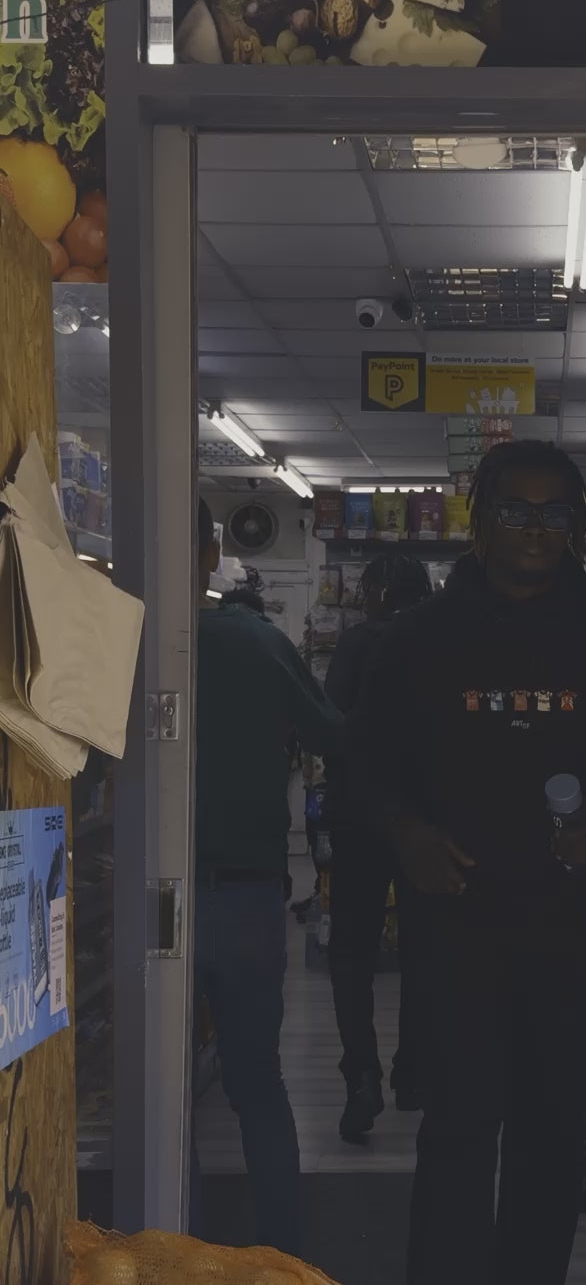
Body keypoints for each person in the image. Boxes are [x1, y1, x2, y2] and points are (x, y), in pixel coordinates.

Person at [353, 442, 586, 1285]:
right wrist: (408, 833)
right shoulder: (417, 639)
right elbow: (367, 766)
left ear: (576, 527)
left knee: (551, 1134)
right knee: (456, 1131)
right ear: (480, 520)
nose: (536, 529)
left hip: (568, 928)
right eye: (515, 511)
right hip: (453, 926)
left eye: (555, 513)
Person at [192, 499, 343, 1257]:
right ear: (210, 551)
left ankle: (163, 1238)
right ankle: (282, 1251)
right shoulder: (257, 642)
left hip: (143, 894)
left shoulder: (124, 638)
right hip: (246, 894)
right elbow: (332, 736)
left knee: (154, 1085)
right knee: (257, 1084)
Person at [322, 553, 433, 1142]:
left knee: (352, 953)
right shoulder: (441, 645)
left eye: (366, 588)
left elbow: (330, 726)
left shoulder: (357, 644)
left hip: (359, 817)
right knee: (425, 948)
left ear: (382, 591)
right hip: (427, 822)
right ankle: (414, 1071)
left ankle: (361, 1075)